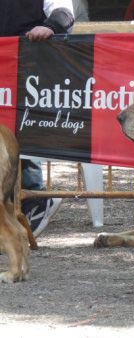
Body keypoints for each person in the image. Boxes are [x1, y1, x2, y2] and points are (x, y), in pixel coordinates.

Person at [0, 0, 73, 236]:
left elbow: (64, 12)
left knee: (23, 133)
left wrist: (50, 26)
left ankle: (35, 199)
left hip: (29, 65)